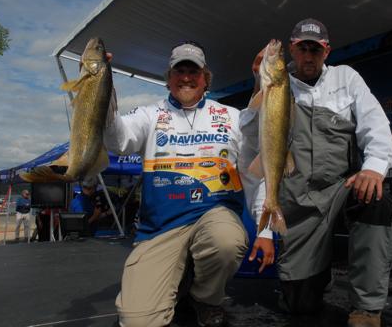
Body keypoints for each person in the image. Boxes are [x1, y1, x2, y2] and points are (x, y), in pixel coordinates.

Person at [240, 18, 392, 327]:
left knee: (376, 201)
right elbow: (253, 140)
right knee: (299, 304)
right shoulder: (278, 85)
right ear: (292, 50)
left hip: (341, 188)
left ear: (326, 51)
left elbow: (376, 125)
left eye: (315, 49)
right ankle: (315, 273)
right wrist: (258, 84)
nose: (308, 56)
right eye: (302, 48)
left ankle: (367, 310)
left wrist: (373, 169)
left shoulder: (346, 78)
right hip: (299, 203)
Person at [103, 41, 268, 327]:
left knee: (226, 242)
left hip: (214, 215)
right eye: (180, 71)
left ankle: (205, 298)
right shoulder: (149, 115)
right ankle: (180, 279)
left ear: (206, 79)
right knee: (137, 321)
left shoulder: (232, 117)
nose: (187, 77)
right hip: (161, 227)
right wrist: (102, 90)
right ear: (169, 79)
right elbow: (118, 141)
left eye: (194, 71)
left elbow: (257, 173)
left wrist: (265, 231)